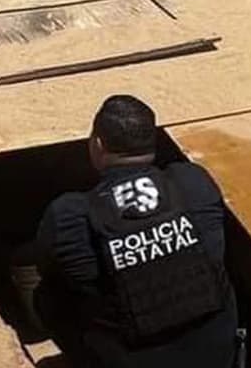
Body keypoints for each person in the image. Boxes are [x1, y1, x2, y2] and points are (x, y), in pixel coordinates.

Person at [32, 95, 239, 367]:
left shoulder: (69, 215)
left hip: (131, 359)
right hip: (216, 355)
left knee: (45, 293)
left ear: (98, 144)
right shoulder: (193, 181)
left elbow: (49, 267)